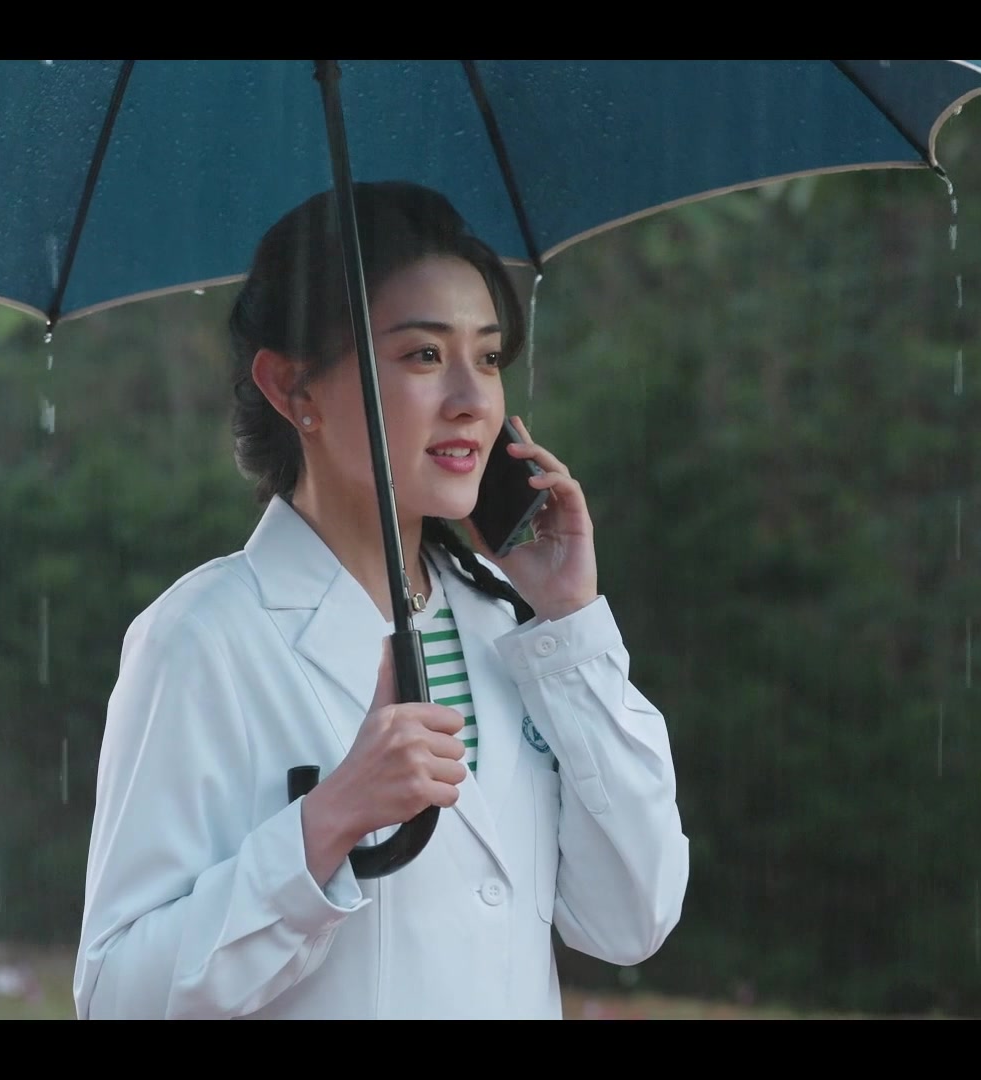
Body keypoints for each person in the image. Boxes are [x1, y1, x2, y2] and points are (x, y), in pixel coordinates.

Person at [72, 181, 690, 1020]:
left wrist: (572, 626)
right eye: (424, 355)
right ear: (294, 389)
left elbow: (631, 919)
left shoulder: (511, 625)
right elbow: (116, 997)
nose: (472, 399)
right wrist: (326, 823)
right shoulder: (202, 638)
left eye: (489, 357)